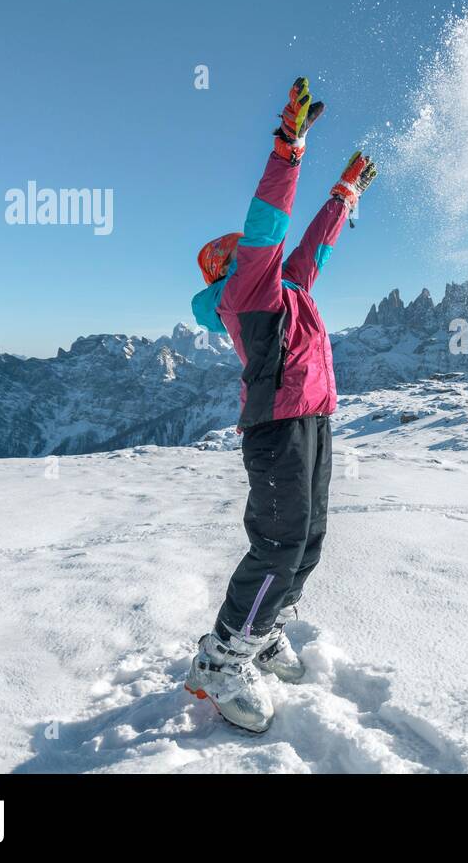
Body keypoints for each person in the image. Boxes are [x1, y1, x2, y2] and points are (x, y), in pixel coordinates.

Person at [184, 76, 377, 732]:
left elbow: (313, 248)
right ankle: (221, 657)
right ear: (225, 271)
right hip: (276, 428)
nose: (244, 250)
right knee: (277, 544)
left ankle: (264, 633)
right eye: (233, 254)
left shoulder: (285, 288)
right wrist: (288, 148)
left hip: (313, 419)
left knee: (308, 539)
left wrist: (342, 197)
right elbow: (269, 222)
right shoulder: (246, 296)